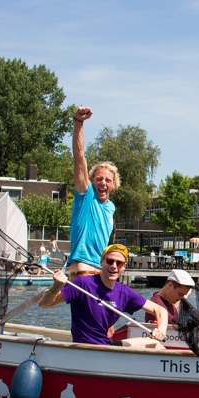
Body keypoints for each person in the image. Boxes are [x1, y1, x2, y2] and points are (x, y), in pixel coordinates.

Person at [39, 244, 167, 345]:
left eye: (119, 263)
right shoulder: (82, 283)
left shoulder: (125, 292)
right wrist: (56, 287)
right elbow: (44, 304)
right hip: (84, 348)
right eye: (110, 261)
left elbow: (160, 310)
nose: (114, 266)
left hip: (106, 346)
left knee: (155, 344)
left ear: (124, 267)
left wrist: (161, 330)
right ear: (101, 262)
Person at [67, 106, 120, 280]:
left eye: (107, 180)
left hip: (100, 272)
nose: (103, 183)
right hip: (83, 270)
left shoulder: (110, 207)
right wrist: (79, 123)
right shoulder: (86, 196)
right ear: (91, 181)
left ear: (114, 185)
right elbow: (79, 156)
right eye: (98, 179)